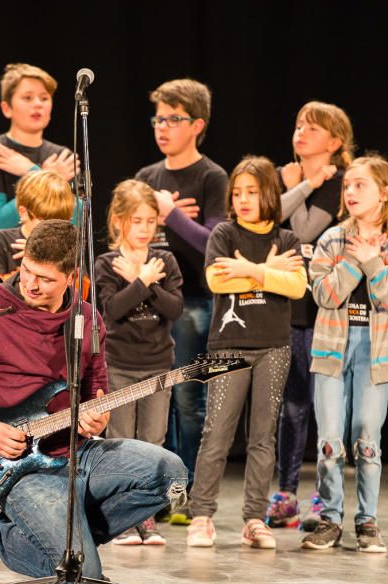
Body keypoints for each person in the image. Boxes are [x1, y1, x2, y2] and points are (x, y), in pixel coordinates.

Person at [0, 220, 188, 584]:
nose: (31, 284)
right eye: (27, 271)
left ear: (71, 277)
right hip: (21, 467)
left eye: (45, 279)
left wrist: (98, 416)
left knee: (171, 474)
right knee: (80, 579)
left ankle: (56, 538)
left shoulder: (87, 319)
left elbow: (97, 388)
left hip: (78, 452)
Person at [300, 156, 388, 554]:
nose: (350, 192)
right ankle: (330, 519)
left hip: (377, 351)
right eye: (347, 186)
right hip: (331, 347)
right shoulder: (333, 239)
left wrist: (374, 260)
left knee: (368, 439)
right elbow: (324, 294)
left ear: (384, 193)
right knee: (330, 440)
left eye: (360, 186)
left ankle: (367, 520)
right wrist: (355, 258)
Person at [186, 156, 306, 550]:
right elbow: (217, 281)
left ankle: (254, 518)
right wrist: (269, 271)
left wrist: (251, 271)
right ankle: (201, 514)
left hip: (274, 346)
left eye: (251, 192)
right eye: (237, 193)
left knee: (262, 437)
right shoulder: (223, 234)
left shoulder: (286, 240)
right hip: (226, 346)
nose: (243, 200)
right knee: (216, 431)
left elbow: (297, 288)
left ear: (269, 194)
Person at [134, 79, 228, 520]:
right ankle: (149, 492)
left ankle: (183, 491)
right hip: (146, 302)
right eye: (158, 119)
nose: (162, 127)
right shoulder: (147, 178)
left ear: (198, 125)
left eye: (173, 119)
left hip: (192, 301)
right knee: (151, 399)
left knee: (189, 400)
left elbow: (216, 244)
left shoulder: (211, 177)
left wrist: (171, 215)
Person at [268, 101, 355, 530]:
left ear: (335, 142)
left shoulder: (339, 183)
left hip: (325, 309)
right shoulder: (287, 177)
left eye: (313, 128)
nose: (300, 132)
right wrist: (295, 184)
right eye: (298, 124)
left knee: (323, 408)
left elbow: (300, 231)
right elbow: (268, 219)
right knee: (291, 407)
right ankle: (285, 495)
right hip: (287, 306)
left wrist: (300, 186)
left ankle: (325, 497)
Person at [95, 180, 183, 546]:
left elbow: (174, 308)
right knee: (121, 442)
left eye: (151, 221)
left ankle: (146, 517)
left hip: (157, 366)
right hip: (119, 365)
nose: (145, 229)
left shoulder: (165, 261)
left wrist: (143, 281)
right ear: (119, 222)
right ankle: (121, 519)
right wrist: (139, 280)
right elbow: (111, 310)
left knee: (153, 442)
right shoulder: (106, 263)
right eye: (137, 221)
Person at [0, 63, 75, 301]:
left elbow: (74, 218)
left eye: (44, 98)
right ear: (7, 108)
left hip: (51, 267)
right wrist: (47, 176)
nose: (37, 104)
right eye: (27, 97)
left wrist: (31, 170)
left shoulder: (63, 157)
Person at [0, 169, 74, 292]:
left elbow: (81, 291)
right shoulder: (0, 240)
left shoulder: (70, 240)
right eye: (45, 221)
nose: (53, 228)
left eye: (60, 221)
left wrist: (46, 255)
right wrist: (34, 259)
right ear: (23, 212)